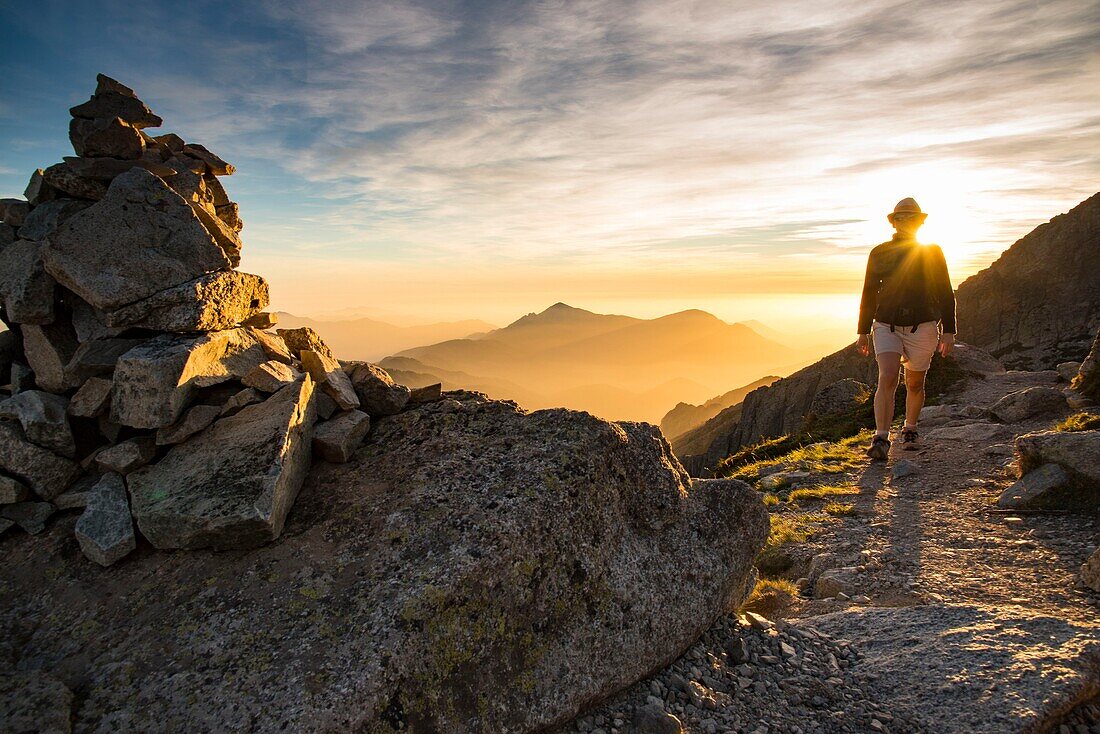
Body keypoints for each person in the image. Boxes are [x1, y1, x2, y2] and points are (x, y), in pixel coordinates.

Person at [855, 198, 956, 460]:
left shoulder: (932, 251)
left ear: (919, 222)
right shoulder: (879, 253)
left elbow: (945, 291)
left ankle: (910, 428)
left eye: (912, 218)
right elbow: (868, 291)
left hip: (922, 326)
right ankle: (881, 437)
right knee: (887, 376)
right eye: (901, 218)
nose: (906, 222)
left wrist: (949, 329)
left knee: (915, 382)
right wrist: (863, 330)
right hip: (886, 324)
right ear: (894, 222)